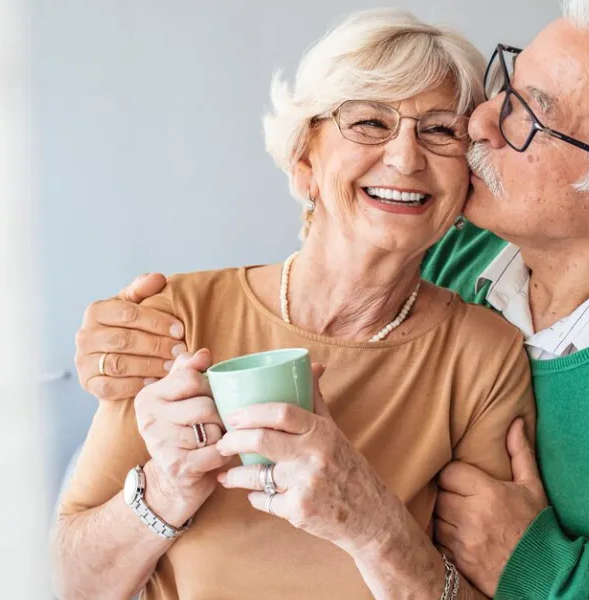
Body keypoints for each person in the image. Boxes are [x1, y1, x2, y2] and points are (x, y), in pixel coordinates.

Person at [74, 0, 589, 598]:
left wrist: (539, 568)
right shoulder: (456, 247)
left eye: (529, 117)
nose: (478, 121)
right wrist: (118, 340)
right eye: (507, 83)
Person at [51, 9, 535, 600]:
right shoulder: (177, 315)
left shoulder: (485, 355)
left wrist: (371, 523)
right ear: (305, 161)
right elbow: (68, 583)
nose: (406, 159)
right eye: (369, 123)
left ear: (467, 179)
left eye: (440, 131)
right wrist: (166, 488)